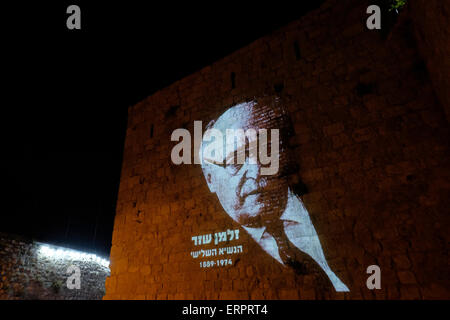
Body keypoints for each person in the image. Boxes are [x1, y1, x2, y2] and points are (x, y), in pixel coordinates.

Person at [199, 98, 349, 292]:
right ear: (210, 179)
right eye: (235, 160)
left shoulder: (339, 211)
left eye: (266, 152)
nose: (256, 170)